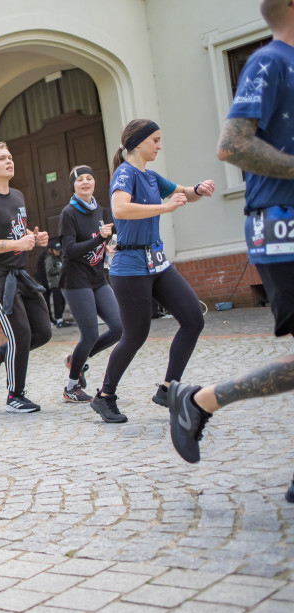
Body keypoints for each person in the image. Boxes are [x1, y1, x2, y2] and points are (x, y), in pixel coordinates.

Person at [168, 0, 294, 501]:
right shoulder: (269, 61)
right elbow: (232, 145)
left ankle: (200, 402)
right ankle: (198, 401)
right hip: (281, 230)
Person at [88, 120, 215, 424]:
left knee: (193, 318)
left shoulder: (151, 176)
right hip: (130, 268)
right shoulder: (125, 173)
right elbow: (120, 209)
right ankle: (104, 396)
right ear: (139, 141)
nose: (159, 145)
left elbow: (184, 193)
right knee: (135, 335)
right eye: (155, 140)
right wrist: (165, 208)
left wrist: (197, 189)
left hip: (156, 262)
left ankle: (168, 389)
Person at [0, 143, 51, 413]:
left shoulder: (17, 196)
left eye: (10, 157)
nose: (9, 161)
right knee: (19, 332)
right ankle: (15, 396)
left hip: (18, 273)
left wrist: (33, 238)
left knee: (42, 331)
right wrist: (14, 245)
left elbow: (16, 230)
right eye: (2, 158)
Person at [58, 165, 123, 403]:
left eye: (89, 178)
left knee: (118, 327)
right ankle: (71, 387)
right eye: (80, 180)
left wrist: (111, 246)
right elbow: (69, 251)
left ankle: (76, 360)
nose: (85, 182)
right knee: (90, 334)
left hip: (97, 278)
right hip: (75, 280)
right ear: (73, 185)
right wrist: (99, 238)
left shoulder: (102, 211)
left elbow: (108, 245)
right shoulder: (69, 213)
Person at [36, 240, 69, 327]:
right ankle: (51, 320)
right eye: (56, 250)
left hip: (57, 282)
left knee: (61, 300)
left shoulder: (58, 257)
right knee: (49, 301)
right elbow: (48, 271)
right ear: (50, 250)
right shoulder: (46, 258)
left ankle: (58, 319)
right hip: (47, 282)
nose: (59, 251)